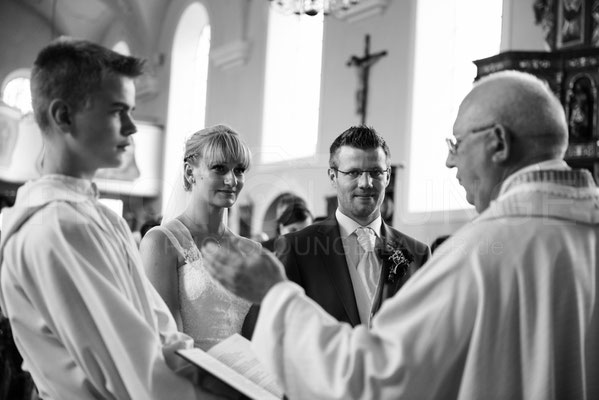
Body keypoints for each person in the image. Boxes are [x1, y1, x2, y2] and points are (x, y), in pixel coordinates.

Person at [202, 70, 599, 399]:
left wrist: (275, 295)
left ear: (498, 142)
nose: (449, 159)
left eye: (457, 143)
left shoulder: (477, 252)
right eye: (352, 173)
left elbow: (372, 378)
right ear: (334, 177)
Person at [0, 37, 225, 399]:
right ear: (64, 116)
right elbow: (137, 372)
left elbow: (159, 332)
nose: (132, 127)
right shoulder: (59, 226)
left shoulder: (92, 214)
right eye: (116, 110)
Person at [280, 126, 430, 328]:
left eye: (376, 172)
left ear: (387, 177)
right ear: (333, 177)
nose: (366, 183)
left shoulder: (417, 255)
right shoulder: (297, 249)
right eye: (353, 172)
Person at [139, 125, 259, 351]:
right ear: (189, 173)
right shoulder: (162, 242)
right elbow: (166, 340)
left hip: (245, 380)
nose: (232, 181)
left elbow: (257, 337)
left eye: (239, 170)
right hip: (188, 377)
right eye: (219, 168)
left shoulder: (252, 250)